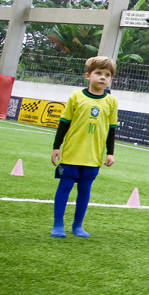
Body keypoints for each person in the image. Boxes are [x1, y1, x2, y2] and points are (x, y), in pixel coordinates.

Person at [49, 56, 119, 238]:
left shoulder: (111, 101)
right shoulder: (76, 96)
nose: (103, 77)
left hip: (93, 156)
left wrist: (110, 153)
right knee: (64, 186)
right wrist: (56, 147)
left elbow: (112, 129)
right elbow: (64, 122)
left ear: (111, 79)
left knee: (85, 190)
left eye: (107, 75)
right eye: (98, 73)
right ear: (88, 75)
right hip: (72, 153)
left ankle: (78, 225)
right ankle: (58, 224)